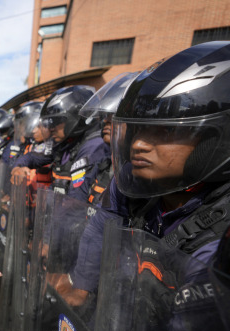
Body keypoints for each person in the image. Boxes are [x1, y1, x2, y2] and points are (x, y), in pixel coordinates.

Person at [55, 41, 230, 306]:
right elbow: (101, 227)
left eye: (165, 131)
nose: (138, 144)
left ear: (214, 139)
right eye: (138, 130)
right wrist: (81, 286)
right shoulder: (133, 180)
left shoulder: (222, 233)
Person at [78, 72, 139, 205]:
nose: (106, 120)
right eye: (107, 115)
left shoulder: (139, 175)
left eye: (115, 115)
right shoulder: (106, 163)